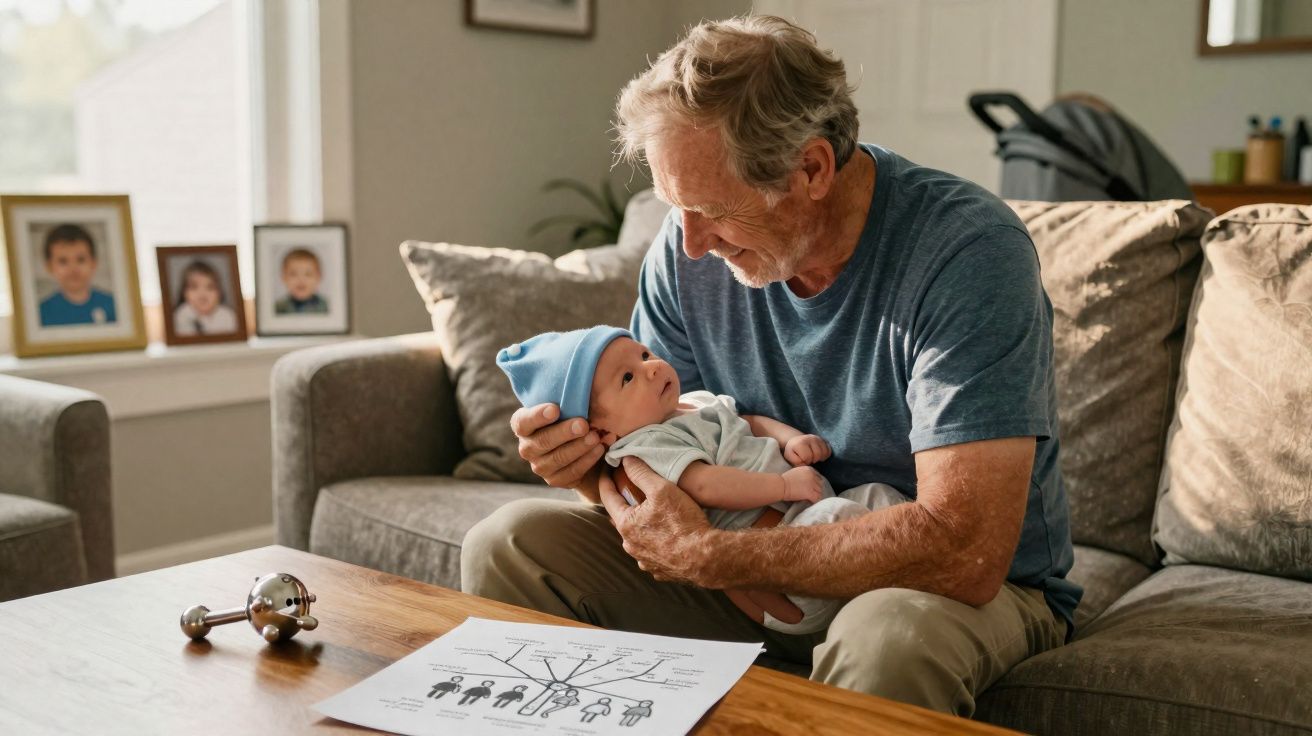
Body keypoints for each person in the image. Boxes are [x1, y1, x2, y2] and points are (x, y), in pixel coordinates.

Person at [462, 14, 1079, 717]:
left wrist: (718, 559)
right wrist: (586, 464)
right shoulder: (684, 253)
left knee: (887, 638)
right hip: (750, 570)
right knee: (510, 544)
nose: (689, 244)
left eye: (711, 210)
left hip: (934, 588)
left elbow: (963, 547)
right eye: (676, 210)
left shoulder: (968, 255)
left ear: (811, 168)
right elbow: (651, 453)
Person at [497, 326, 908, 634]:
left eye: (643, 354)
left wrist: (790, 439)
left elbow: (746, 422)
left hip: (807, 512)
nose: (651, 368)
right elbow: (706, 485)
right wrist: (783, 487)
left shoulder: (693, 403)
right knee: (844, 517)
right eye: (627, 378)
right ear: (600, 434)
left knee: (883, 498)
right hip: (781, 572)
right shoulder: (648, 444)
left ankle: (915, 573)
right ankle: (897, 580)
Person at [37, 223, 117, 327]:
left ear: (94, 262)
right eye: (63, 261)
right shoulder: (41, 312)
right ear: (49, 267)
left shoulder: (113, 305)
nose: (73, 269)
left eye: (81, 260)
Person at [173, 260, 239, 336]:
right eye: (194, 287)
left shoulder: (229, 315)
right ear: (184, 292)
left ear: (220, 293)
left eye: (210, 287)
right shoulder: (180, 315)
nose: (202, 294)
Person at [273, 248, 328, 314]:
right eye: (293, 274)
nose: (301, 280)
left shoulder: (326, 307)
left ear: (319, 277)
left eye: (308, 274)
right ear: (284, 278)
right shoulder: (278, 308)